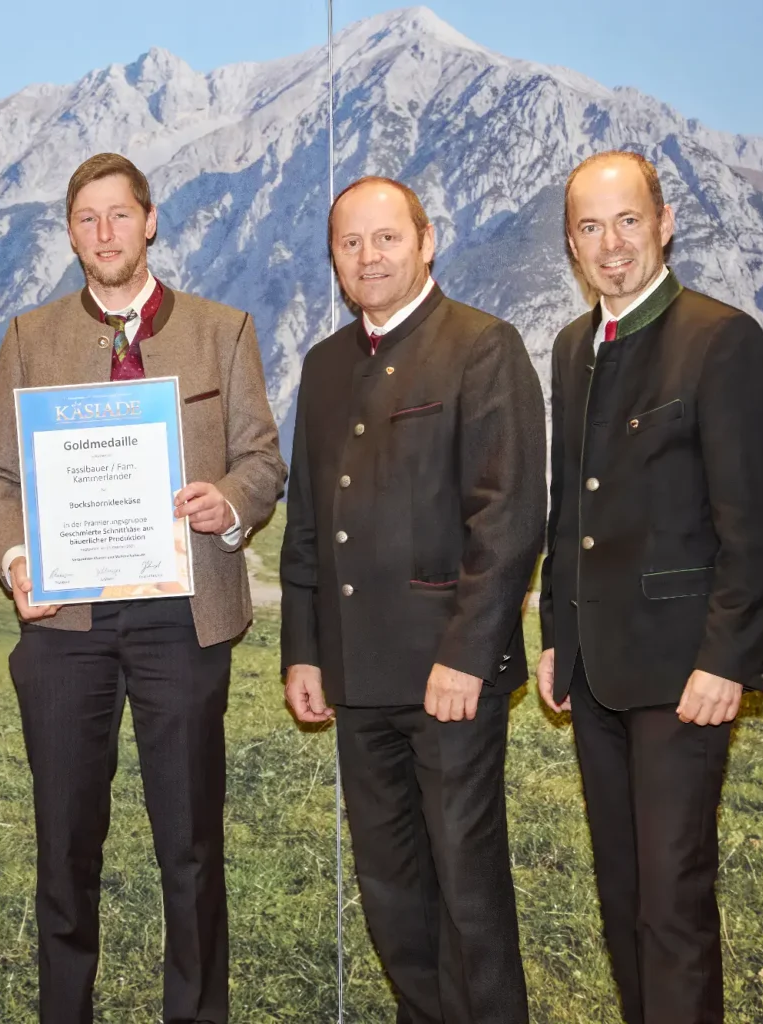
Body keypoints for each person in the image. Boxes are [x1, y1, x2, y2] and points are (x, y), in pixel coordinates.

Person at [0, 153, 286, 1024]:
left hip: (182, 619)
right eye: (87, 218)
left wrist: (227, 500)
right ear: (70, 232)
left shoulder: (223, 330)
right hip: (66, 620)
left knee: (189, 847)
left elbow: (264, 457)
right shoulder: (29, 338)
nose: (105, 233)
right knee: (65, 846)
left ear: (150, 222)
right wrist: (15, 560)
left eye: (120, 215)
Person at [280, 176, 545, 1024]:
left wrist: (468, 656)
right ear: (335, 259)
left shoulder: (481, 345)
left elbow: (507, 518)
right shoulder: (323, 366)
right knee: (391, 891)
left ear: (427, 242)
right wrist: (303, 648)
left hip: (447, 677)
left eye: (386, 238)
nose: (369, 257)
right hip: (356, 676)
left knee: (467, 894)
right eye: (351, 244)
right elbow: (309, 525)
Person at [537, 151, 763, 1024]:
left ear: (665, 221)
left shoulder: (723, 339)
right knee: (620, 893)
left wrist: (729, 661)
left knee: (672, 900)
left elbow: (754, 530)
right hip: (597, 670)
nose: (611, 246)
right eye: (591, 228)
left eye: (628, 221)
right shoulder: (573, 348)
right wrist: (554, 637)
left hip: (687, 678)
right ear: (572, 242)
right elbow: (571, 509)